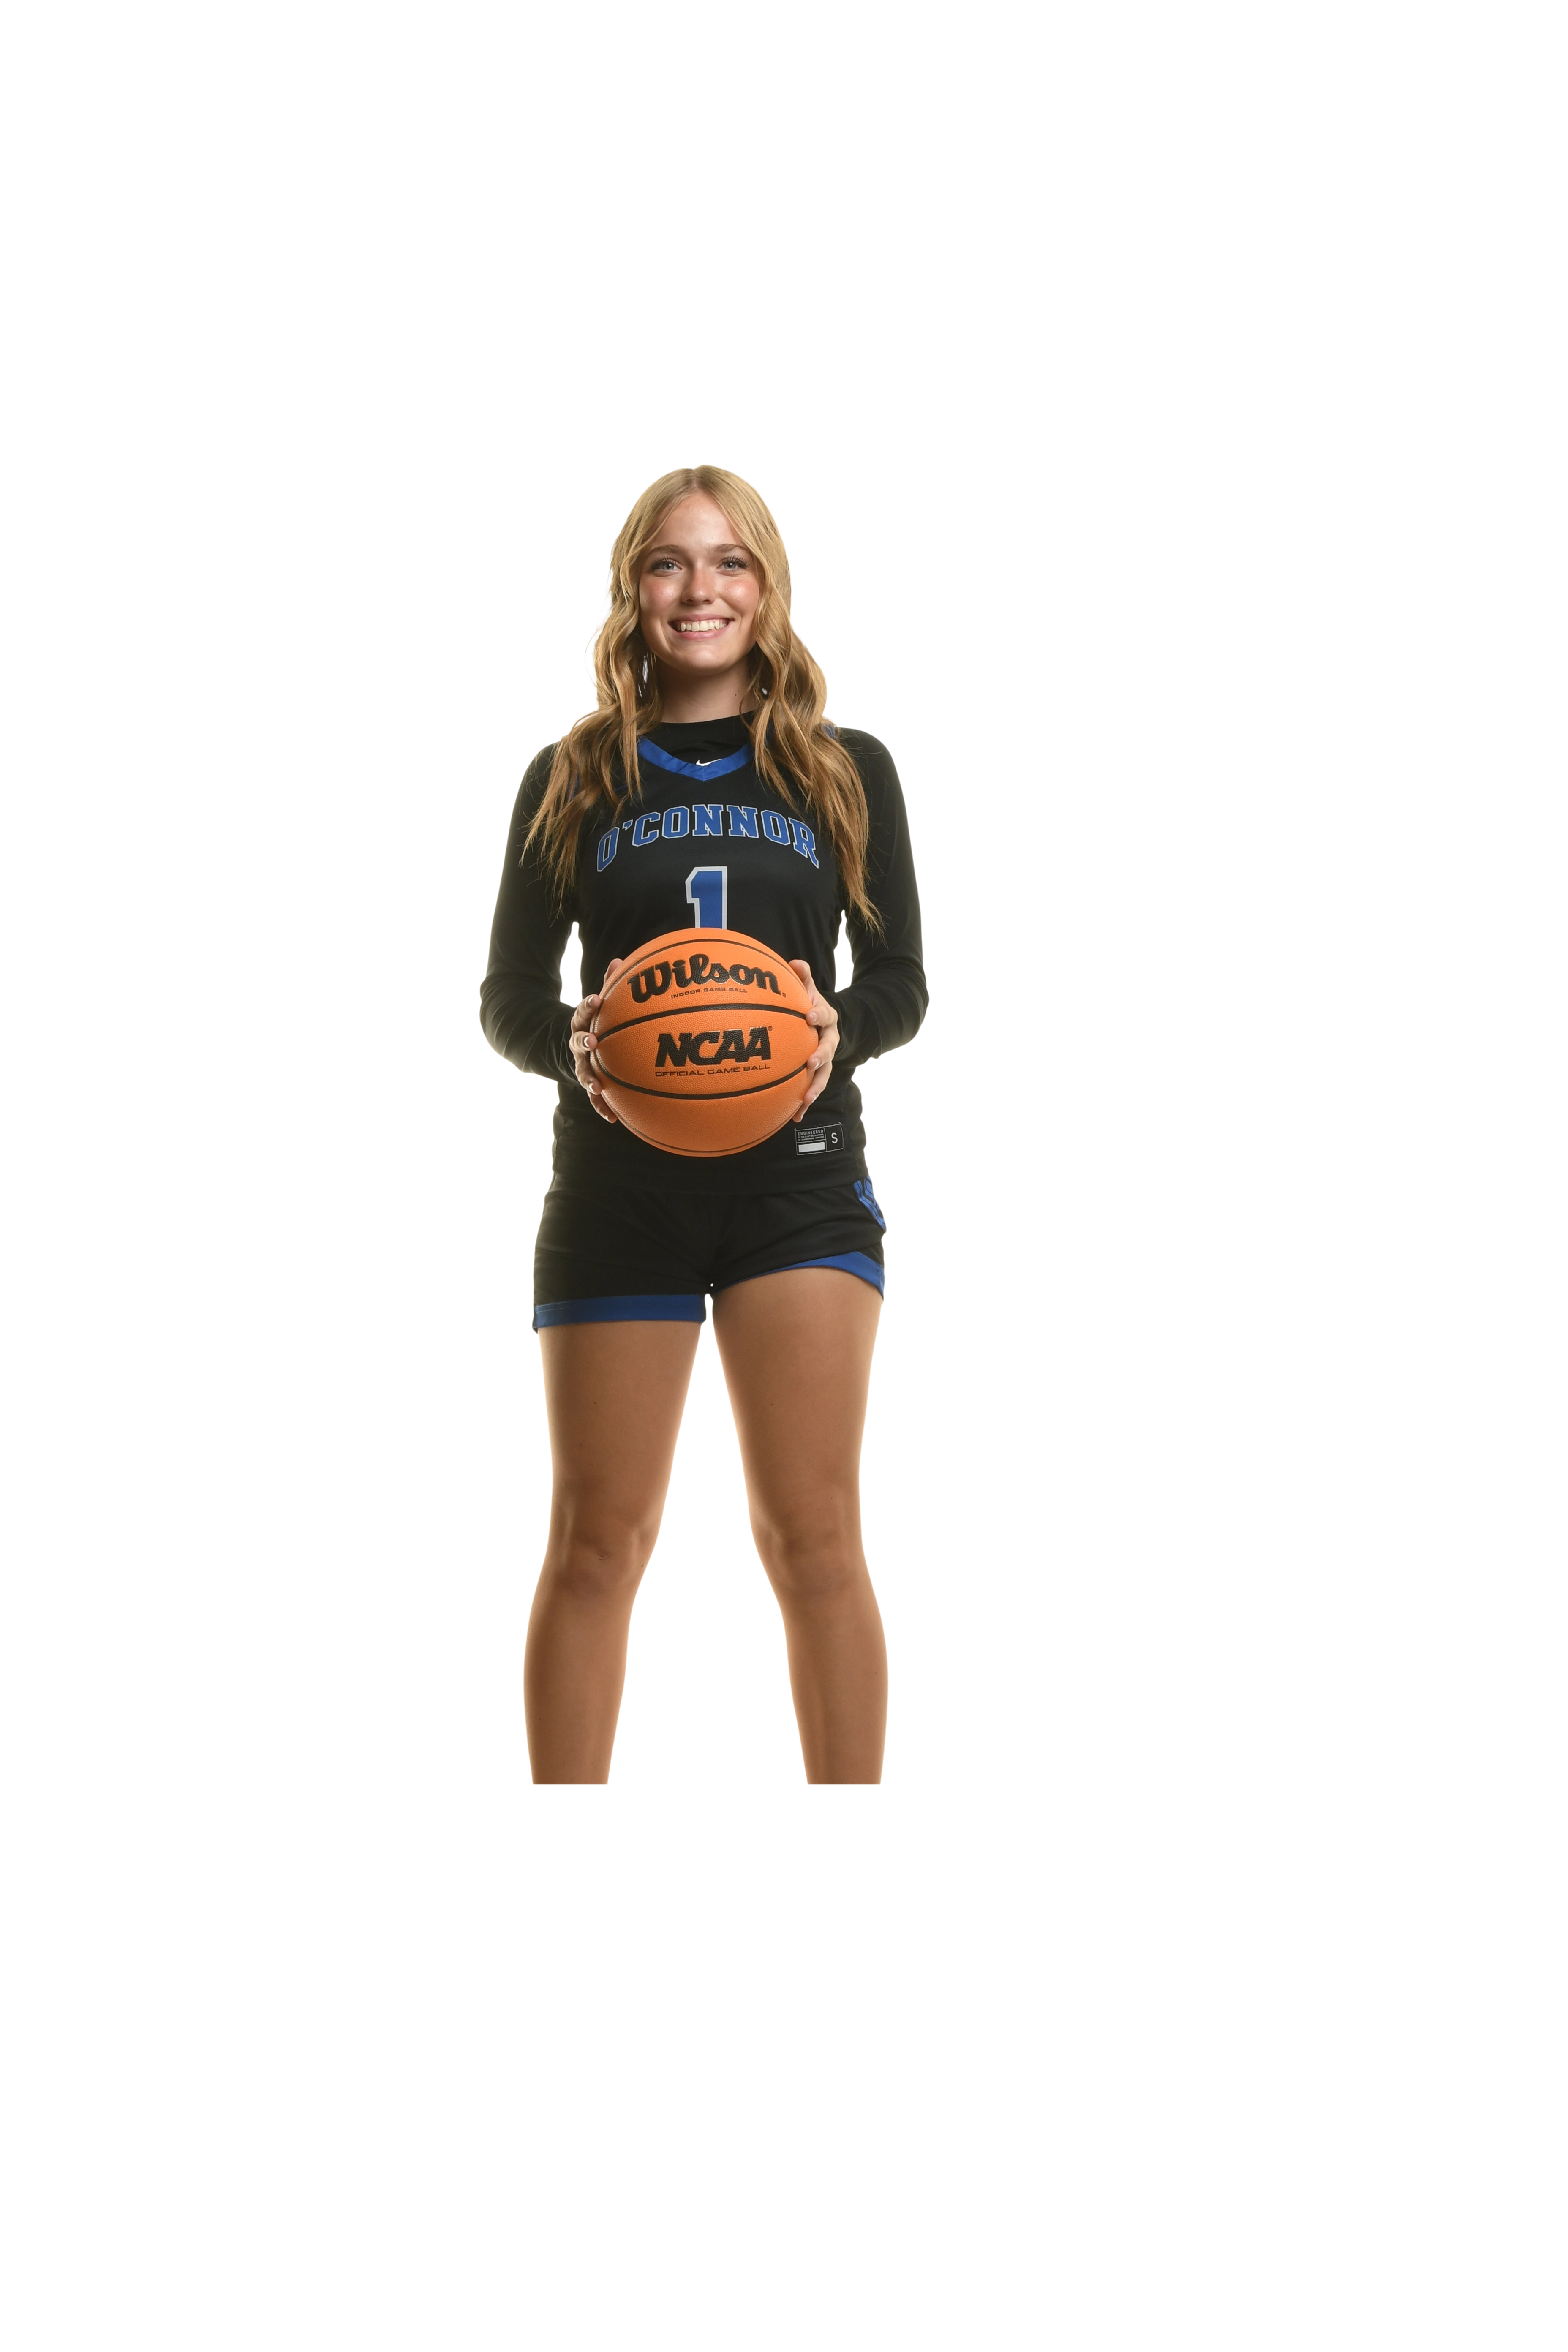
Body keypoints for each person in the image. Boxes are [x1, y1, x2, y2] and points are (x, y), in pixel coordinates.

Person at [479, 463, 928, 1783]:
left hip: (800, 1186)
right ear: (632, 586)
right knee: (595, 1545)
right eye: (670, 561)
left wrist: (836, 1026)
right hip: (617, 1195)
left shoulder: (846, 769)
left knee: (814, 1540)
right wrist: (571, 1043)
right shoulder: (571, 777)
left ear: (770, 585)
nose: (700, 590)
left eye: (731, 561)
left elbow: (902, 982)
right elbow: (508, 996)